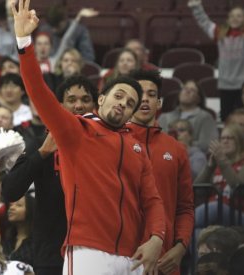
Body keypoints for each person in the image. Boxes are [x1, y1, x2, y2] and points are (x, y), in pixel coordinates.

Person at [10, 1, 166, 274]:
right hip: (88, 251)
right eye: (118, 96)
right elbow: (37, 89)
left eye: (129, 102)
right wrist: (24, 42)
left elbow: (152, 200)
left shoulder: (137, 146)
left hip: (134, 256)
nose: (122, 103)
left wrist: (156, 238)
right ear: (102, 100)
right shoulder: (76, 132)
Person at [3, 76, 98, 275]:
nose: (79, 105)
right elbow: (10, 191)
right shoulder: (39, 143)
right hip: (50, 255)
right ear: (60, 106)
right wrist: (43, 153)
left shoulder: (108, 146)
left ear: (96, 106)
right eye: (72, 100)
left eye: (85, 100)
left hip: (95, 251)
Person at [127, 70, 194, 275]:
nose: (145, 99)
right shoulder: (114, 143)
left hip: (165, 259)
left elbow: (185, 208)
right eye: (139, 93)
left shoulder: (176, 149)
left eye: (151, 94)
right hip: (123, 257)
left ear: (160, 103)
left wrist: (180, 247)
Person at [188, 0, 244, 121]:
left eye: (239, 16)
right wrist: (196, 7)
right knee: (226, 118)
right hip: (225, 84)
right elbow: (205, 23)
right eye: (232, 16)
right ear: (228, 19)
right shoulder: (221, 31)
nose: (235, 18)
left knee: (243, 119)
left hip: (243, 85)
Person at [194, 124, 244, 227]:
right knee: (195, 235)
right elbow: (197, 190)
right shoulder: (218, 164)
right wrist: (209, 167)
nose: (225, 141)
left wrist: (222, 161)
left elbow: (239, 189)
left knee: (215, 208)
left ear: (240, 141)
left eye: (230, 138)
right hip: (215, 218)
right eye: (222, 138)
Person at [158, 80, 219, 152]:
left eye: (192, 90)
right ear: (179, 94)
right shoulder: (164, 117)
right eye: (185, 89)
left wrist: (188, 144)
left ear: (199, 98)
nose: (187, 91)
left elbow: (208, 145)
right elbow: (157, 142)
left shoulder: (206, 118)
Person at [35, 8, 98, 74]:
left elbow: (66, 39)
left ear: (50, 46)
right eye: (39, 44)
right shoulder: (29, 62)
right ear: (34, 46)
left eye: (46, 44)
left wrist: (78, 17)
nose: (42, 47)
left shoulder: (54, 61)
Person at [3, 195, 35, 266]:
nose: (11, 208)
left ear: (30, 209)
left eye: (19, 205)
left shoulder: (37, 243)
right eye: (10, 205)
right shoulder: (7, 239)